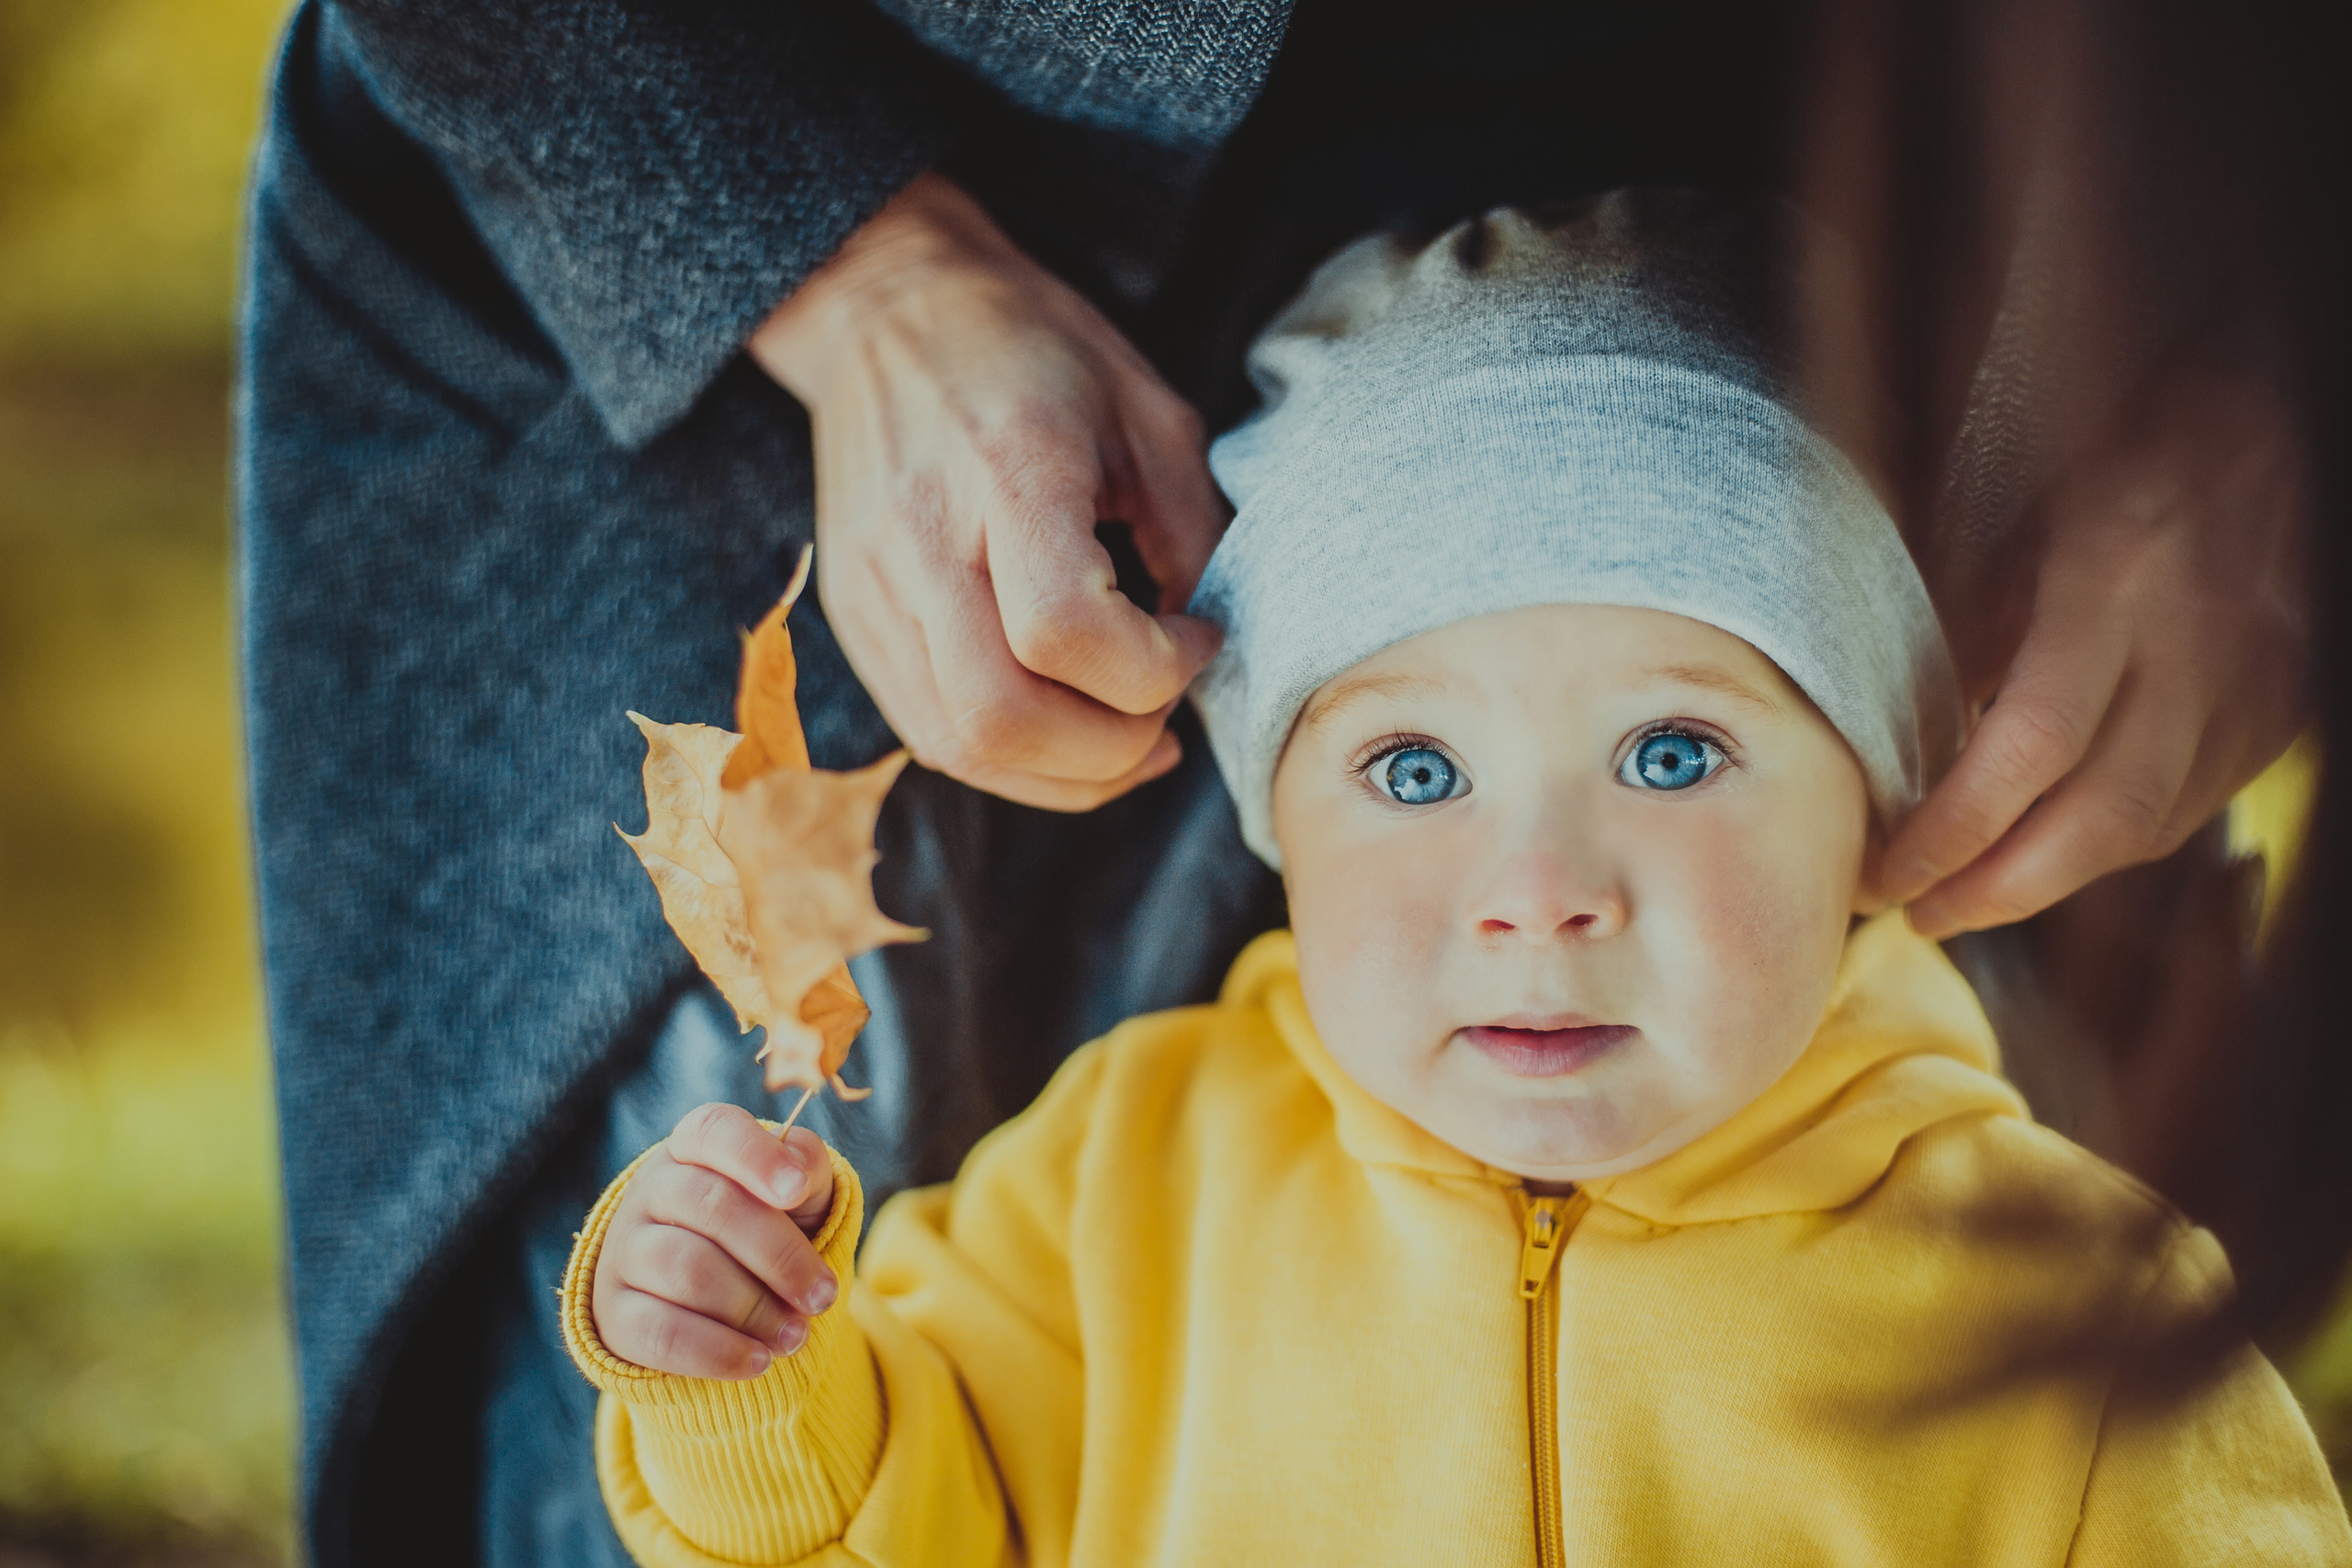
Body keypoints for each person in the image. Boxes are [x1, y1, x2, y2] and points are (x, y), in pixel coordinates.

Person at [239, 2, 2318, 1562]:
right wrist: (745, 1380)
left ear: (1887, 787)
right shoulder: (1108, 1187)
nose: (1535, 885)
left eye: (1671, 749)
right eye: (1408, 761)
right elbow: (893, 1506)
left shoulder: (2074, 1289)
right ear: (1253, 801)